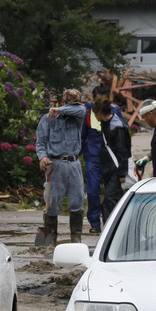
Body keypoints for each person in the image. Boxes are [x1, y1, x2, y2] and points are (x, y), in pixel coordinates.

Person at [35, 88, 87, 244]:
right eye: (69, 104)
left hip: (74, 163)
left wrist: (58, 109)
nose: (72, 107)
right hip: (55, 164)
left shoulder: (78, 115)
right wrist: (42, 157)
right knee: (52, 202)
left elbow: (79, 109)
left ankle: (75, 238)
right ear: (63, 101)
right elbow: (41, 142)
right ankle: (50, 239)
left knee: (77, 201)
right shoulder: (47, 119)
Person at [81, 85, 125, 233]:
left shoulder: (115, 111)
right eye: (98, 100)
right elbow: (83, 134)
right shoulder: (87, 111)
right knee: (93, 191)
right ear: (93, 100)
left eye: (104, 100)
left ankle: (111, 222)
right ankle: (94, 223)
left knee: (111, 193)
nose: (101, 103)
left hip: (110, 159)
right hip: (92, 157)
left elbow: (121, 135)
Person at [92, 98, 132, 225]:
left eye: (95, 113)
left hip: (116, 170)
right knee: (112, 200)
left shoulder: (116, 126)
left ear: (99, 112)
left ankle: (112, 229)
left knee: (111, 201)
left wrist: (121, 174)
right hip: (109, 169)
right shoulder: (107, 123)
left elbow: (122, 151)